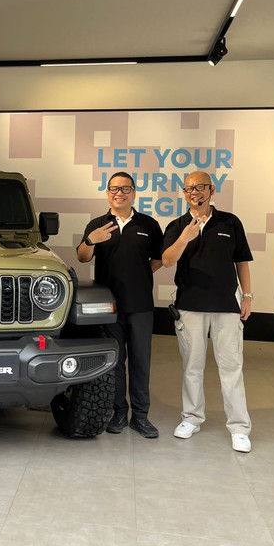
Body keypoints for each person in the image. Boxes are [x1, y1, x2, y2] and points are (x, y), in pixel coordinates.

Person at [161, 171, 253, 452]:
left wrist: (247, 296)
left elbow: (242, 261)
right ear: (184, 193)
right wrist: (186, 237)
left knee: (231, 367)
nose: (194, 193)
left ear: (212, 190)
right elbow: (166, 261)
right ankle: (191, 418)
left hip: (227, 305)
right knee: (192, 366)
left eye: (200, 187)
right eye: (189, 189)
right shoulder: (177, 225)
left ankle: (239, 428)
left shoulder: (230, 222)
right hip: (190, 306)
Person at [77, 171, 163, 438]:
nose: (120, 193)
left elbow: (159, 258)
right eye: (114, 189)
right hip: (109, 306)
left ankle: (140, 416)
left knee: (140, 361)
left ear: (134, 193)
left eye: (125, 189)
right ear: (107, 193)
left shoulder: (148, 224)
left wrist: (141, 274)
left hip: (140, 305)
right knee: (115, 362)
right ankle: (117, 413)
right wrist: (92, 240)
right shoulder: (98, 224)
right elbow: (82, 257)